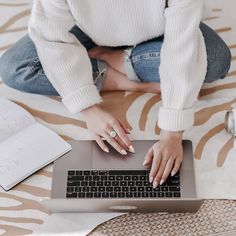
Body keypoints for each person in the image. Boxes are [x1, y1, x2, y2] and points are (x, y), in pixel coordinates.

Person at [0, 0, 231, 188]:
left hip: (161, 25)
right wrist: (88, 109)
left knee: (216, 60)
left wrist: (172, 134)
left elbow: (183, 41)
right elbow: (49, 35)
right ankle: (127, 77)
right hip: (84, 26)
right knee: (14, 67)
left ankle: (110, 60)